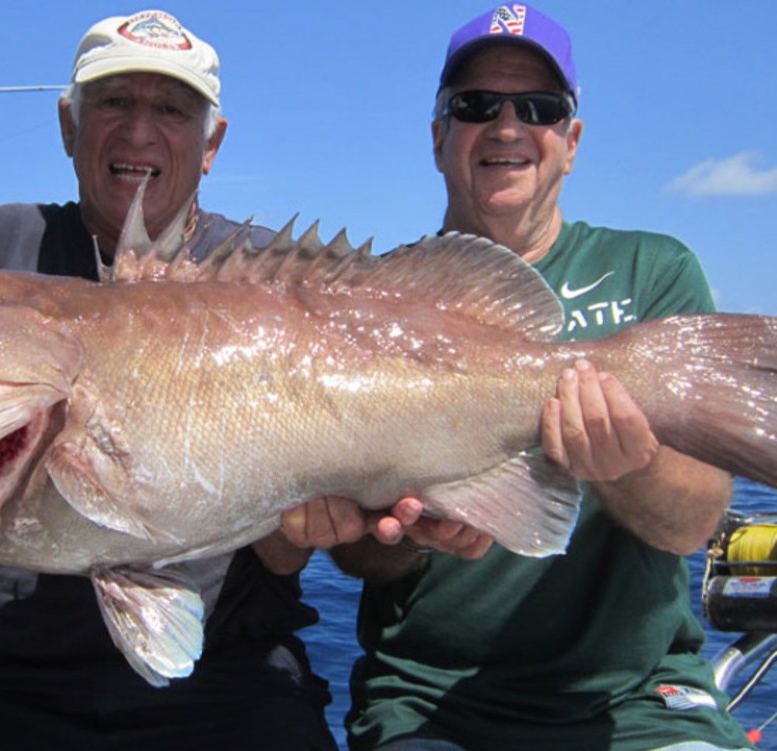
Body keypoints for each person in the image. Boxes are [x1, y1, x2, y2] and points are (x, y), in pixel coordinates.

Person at [0, 10, 342, 750]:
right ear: (68, 126)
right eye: (112, 101)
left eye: (171, 109)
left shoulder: (280, 288)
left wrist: (327, 525)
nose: (139, 131)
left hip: (231, 681)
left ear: (213, 144)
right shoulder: (0, 246)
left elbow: (366, 540)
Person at [282, 5, 754, 750]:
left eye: (538, 109)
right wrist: (404, 533)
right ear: (439, 137)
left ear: (571, 141)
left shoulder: (655, 273)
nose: (506, 127)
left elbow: (693, 522)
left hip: (637, 701)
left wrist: (623, 467)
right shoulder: (363, 299)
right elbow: (363, 557)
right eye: (475, 107)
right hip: (425, 697)